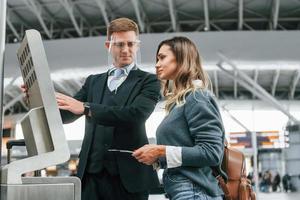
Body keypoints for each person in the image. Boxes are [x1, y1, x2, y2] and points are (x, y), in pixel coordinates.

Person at [55, 18, 160, 200]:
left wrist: (87, 108)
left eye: (130, 44)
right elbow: (66, 116)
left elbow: (136, 115)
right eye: (119, 45)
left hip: (129, 178)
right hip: (91, 175)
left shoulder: (149, 81)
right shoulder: (93, 81)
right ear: (108, 45)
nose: (126, 50)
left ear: (137, 45)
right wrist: (36, 99)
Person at [133, 36, 225, 200]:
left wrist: (161, 151)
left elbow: (212, 152)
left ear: (182, 59)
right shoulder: (180, 103)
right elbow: (185, 150)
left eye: (162, 57)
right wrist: (156, 158)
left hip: (195, 191)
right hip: (186, 191)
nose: (157, 64)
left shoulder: (197, 97)